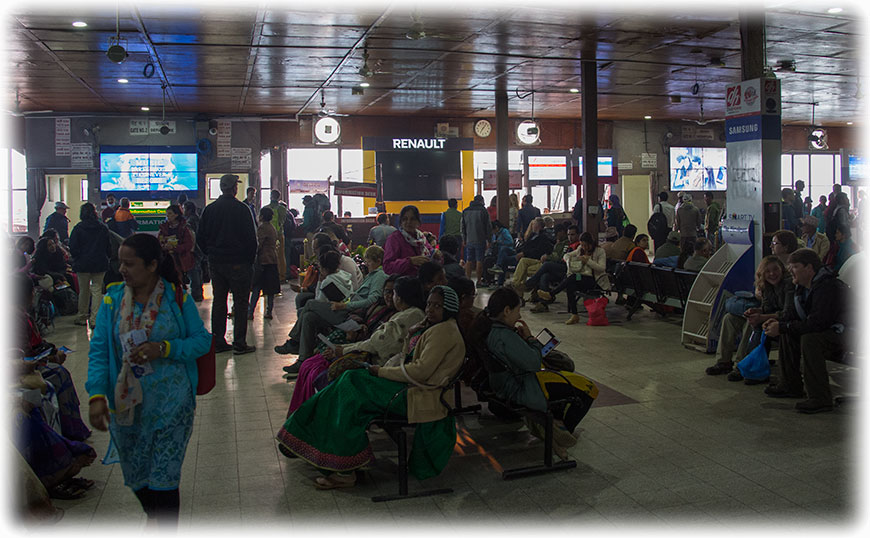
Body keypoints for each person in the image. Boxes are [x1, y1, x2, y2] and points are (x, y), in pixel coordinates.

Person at [275, 285, 465, 489]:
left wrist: (379, 372)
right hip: (408, 388)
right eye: (429, 304)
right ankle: (309, 440)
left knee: (349, 389)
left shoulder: (443, 332)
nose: (430, 309)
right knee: (346, 384)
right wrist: (411, 334)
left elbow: (419, 371)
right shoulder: (433, 327)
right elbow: (409, 360)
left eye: (437, 306)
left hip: (416, 395)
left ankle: (334, 460)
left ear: (449, 309)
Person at [86, 233, 211, 526]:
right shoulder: (112, 300)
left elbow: (201, 341)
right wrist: (96, 395)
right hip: (129, 406)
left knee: (165, 478)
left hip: (172, 403)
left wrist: (165, 348)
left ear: (152, 264)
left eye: (130, 264)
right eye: (121, 263)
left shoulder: (175, 297)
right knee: (138, 477)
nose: (123, 270)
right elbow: (100, 351)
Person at [471, 287, 598, 460]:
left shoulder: (488, 328)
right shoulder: (503, 336)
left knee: (565, 381)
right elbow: (532, 364)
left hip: (506, 382)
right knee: (589, 389)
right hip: (521, 385)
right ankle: (557, 430)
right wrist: (531, 340)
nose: (520, 317)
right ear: (507, 311)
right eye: (518, 311)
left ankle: (554, 427)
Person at [762, 249, 849, 413]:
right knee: (788, 332)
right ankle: (790, 385)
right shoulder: (802, 288)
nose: (790, 271)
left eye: (794, 267)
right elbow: (793, 315)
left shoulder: (828, 287)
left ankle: (820, 398)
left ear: (809, 268)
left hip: (848, 334)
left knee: (810, 339)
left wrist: (782, 326)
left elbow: (817, 324)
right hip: (830, 331)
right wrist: (778, 323)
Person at [280, 246, 387, 372]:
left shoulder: (379, 276)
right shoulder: (370, 275)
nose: (366, 264)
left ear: (378, 261)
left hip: (351, 314)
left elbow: (371, 300)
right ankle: (303, 359)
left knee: (309, 304)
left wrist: (345, 305)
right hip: (349, 310)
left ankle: (294, 342)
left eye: (369, 261)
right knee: (309, 317)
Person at [196, 174, 258, 355]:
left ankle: (218, 341)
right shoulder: (242, 209)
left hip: (216, 263)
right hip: (239, 263)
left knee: (219, 301)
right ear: (234, 189)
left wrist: (210, 254)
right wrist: (249, 260)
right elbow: (251, 239)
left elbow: (200, 237)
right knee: (240, 303)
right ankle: (239, 343)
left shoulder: (210, 210)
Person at [705, 256, 790, 378]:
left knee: (752, 323)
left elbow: (786, 312)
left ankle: (741, 364)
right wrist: (756, 310)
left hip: (782, 320)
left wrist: (760, 317)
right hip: (770, 316)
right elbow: (767, 308)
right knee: (729, 318)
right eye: (767, 271)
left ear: (782, 270)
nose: (772, 274)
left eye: (775, 269)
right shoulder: (767, 286)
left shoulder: (788, 285)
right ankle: (724, 361)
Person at [548, 231, 609, 324]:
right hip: (582, 277)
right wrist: (569, 260)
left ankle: (551, 294)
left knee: (572, 278)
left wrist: (587, 261)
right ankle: (574, 314)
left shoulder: (600, 251)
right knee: (570, 285)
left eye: (586, 245)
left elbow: (602, 268)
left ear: (591, 243)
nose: (584, 248)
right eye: (582, 245)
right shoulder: (581, 249)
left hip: (595, 280)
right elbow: (566, 255)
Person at [68, 202, 111, 327]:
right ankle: (95, 319)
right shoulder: (103, 228)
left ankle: (82, 316)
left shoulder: (78, 228)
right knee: (97, 290)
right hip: (100, 262)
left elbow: (73, 247)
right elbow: (108, 246)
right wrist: (107, 257)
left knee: (84, 291)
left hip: (82, 263)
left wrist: (77, 257)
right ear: (94, 213)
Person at [526, 224, 580, 311]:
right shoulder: (566, 244)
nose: (570, 237)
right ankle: (543, 303)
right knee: (545, 276)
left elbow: (565, 259)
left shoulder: (578, 246)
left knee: (547, 265)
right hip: (562, 270)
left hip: (571, 271)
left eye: (572, 235)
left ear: (578, 235)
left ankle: (529, 283)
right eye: (569, 234)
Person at [248, 206, 281, 320]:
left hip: (263, 260)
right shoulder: (272, 228)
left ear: (261, 216)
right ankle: (269, 311)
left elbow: (259, 245)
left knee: (257, 286)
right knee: (270, 289)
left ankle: (250, 311)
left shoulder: (262, 228)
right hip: (272, 259)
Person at [384, 205, 431, 277]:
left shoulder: (421, 238)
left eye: (412, 219)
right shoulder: (394, 239)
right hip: (403, 283)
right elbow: (387, 267)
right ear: (401, 222)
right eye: (405, 219)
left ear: (418, 222)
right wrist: (410, 262)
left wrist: (436, 254)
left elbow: (430, 252)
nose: (408, 222)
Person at [157, 204, 196, 286]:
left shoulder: (184, 228)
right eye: (167, 214)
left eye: (170, 214)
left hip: (181, 260)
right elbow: (159, 241)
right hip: (167, 260)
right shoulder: (164, 228)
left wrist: (175, 247)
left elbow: (188, 244)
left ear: (176, 214)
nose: (168, 216)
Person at [461, 194, 491, 284]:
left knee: (469, 260)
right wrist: (489, 240)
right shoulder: (483, 211)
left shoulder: (465, 211)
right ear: (481, 201)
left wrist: (464, 239)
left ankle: (468, 279)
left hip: (469, 239)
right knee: (479, 260)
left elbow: (462, 227)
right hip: (480, 239)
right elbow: (488, 227)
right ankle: (478, 281)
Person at [182, 201, 204, 302]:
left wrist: (190, 249)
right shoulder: (198, 218)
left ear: (189, 209)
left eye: (184, 208)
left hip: (194, 250)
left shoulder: (190, 221)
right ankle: (199, 292)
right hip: (200, 249)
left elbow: (192, 236)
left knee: (194, 271)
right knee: (198, 271)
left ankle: (196, 293)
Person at [266, 189, 289, 281]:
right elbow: (283, 221)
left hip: (268, 234)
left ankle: (270, 276)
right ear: (279, 197)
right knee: (281, 256)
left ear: (271, 196)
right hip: (279, 234)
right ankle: (282, 276)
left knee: (269, 255)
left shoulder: (266, 208)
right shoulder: (282, 209)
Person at [486, 220, 517, 287]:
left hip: (509, 250)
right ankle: (494, 281)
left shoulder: (504, 231)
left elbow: (510, 242)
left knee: (503, 249)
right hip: (502, 253)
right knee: (490, 259)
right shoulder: (496, 234)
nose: (493, 232)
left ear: (496, 228)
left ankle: (498, 266)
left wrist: (499, 242)